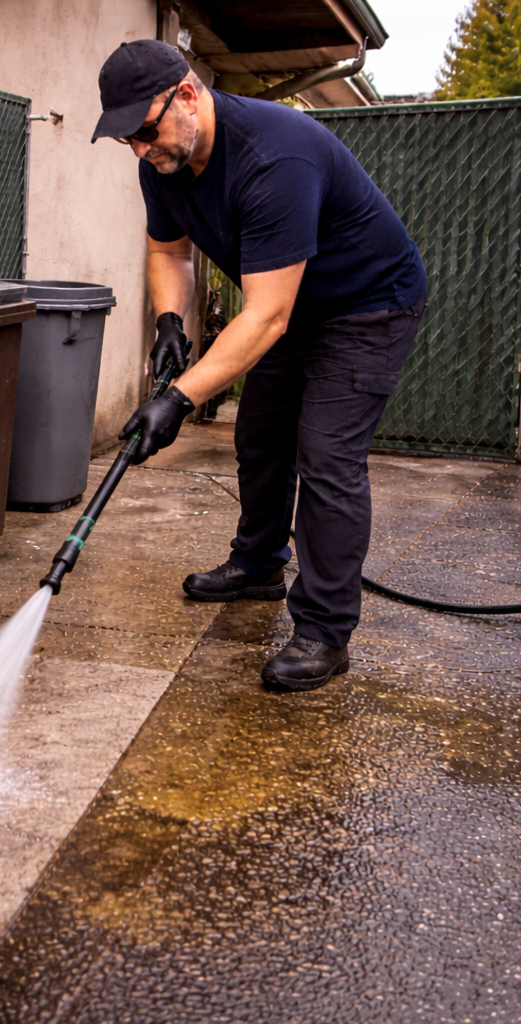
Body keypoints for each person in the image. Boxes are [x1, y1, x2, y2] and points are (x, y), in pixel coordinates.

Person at [92, 39, 427, 693]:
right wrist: (168, 322)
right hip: (290, 307)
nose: (139, 149)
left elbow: (267, 316)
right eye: (126, 138)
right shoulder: (163, 161)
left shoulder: (275, 155)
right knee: (260, 437)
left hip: (368, 306)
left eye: (145, 130)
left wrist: (178, 399)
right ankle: (260, 564)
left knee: (326, 457)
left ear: (188, 94)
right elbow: (170, 253)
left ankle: (325, 632)